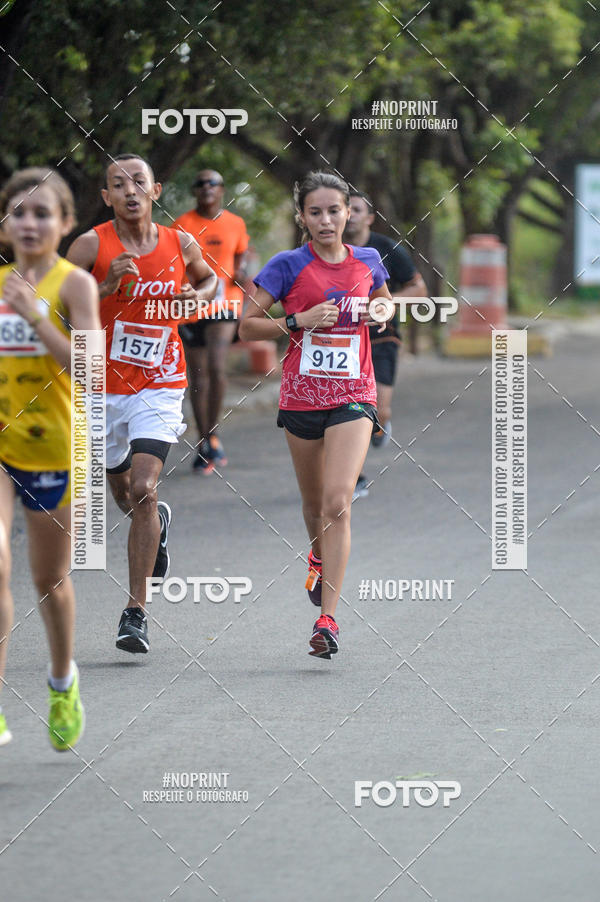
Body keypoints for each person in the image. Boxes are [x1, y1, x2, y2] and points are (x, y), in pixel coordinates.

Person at [67, 154, 217, 655]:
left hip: (159, 381)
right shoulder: (90, 244)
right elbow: (51, 301)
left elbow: (208, 278)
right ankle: (156, 526)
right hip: (100, 386)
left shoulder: (180, 242)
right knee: (124, 498)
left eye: (138, 181)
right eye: (117, 184)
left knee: (144, 487)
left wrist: (198, 299)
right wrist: (104, 286)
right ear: (106, 197)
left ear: (155, 190)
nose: (130, 190)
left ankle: (135, 613)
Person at [239, 171, 392, 658]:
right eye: (315, 212)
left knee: (337, 502)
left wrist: (382, 313)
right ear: (301, 217)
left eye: (334, 210)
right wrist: (296, 321)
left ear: (350, 212)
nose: (326, 220)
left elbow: (384, 301)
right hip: (302, 399)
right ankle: (318, 559)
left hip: (354, 394)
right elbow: (247, 327)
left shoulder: (368, 260)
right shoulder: (287, 265)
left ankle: (328, 619)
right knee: (312, 507)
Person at [0, 168, 100, 749]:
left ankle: (62, 680)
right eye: (19, 212)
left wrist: (36, 316)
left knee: (48, 580)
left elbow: (89, 370)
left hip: (57, 446)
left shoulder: (73, 285)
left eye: (43, 213)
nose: (30, 222)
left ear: (65, 224)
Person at [344, 191, 427, 497]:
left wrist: (384, 305)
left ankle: (381, 424)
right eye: (345, 208)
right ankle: (354, 477)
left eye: (356, 209)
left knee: (377, 409)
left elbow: (419, 290)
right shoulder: (328, 251)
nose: (350, 214)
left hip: (382, 337)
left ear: (369, 218)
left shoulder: (385, 248)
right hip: (341, 342)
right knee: (350, 410)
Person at [173, 170, 249, 473]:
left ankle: (212, 436)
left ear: (222, 190)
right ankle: (204, 441)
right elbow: (173, 262)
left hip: (225, 302)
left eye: (212, 183)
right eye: (200, 183)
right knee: (198, 375)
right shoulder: (182, 224)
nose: (206, 188)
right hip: (191, 304)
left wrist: (239, 275)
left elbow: (240, 255)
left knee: (217, 366)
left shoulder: (235, 223)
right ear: (195, 191)